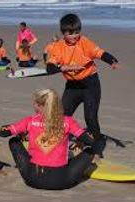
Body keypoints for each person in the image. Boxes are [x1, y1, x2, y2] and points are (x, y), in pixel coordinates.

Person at [0, 89, 105, 190]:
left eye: (35, 103)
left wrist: (13, 130)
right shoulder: (68, 121)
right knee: (90, 151)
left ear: (40, 106)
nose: (33, 105)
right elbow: (91, 143)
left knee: (13, 141)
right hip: (61, 182)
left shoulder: (29, 121)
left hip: (32, 180)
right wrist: (86, 143)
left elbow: (3, 133)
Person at [46, 13, 119, 151]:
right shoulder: (58, 47)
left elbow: (100, 53)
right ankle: (57, 142)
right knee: (61, 116)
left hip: (90, 84)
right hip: (72, 87)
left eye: (77, 32)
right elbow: (50, 68)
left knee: (90, 117)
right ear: (63, 33)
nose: (75, 36)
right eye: (71, 33)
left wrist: (112, 61)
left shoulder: (84, 42)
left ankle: (97, 148)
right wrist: (63, 67)